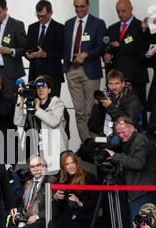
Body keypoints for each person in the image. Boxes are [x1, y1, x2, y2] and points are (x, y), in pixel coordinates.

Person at [35, 150, 98, 228]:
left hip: (83, 220)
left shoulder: (89, 177)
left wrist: (80, 203)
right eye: (67, 164)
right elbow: (60, 208)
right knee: (40, 226)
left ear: (77, 163)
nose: (71, 166)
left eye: (72, 162)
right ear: (63, 167)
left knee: (52, 225)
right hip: (67, 219)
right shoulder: (62, 180)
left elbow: (96, 204)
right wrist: (56, 198)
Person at [63, 0, 107, 143]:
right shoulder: (68, 24)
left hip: (90, 70)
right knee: (79, 112)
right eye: (76, 6)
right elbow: (65, 46)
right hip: (72, 70)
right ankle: (86, 144)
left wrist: (86, 54)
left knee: (90, 111)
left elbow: (101, 46)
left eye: (82, 6)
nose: (79, 9)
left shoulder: (98, 23)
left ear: (88, 6)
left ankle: (94, 145)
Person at [105, 117, 156, 225]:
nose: (121, 135)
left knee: (140, 227)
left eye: (123, 132)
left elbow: (137, 163)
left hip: (144, 190)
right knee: (139, 226)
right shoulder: (129, 141)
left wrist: (115, 156)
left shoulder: (140, 141)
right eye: (118, 133)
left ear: (132, 128)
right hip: (138, 189)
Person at [14, 75, 68, 174]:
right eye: (38, 88)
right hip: (38, 153)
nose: (41, 90)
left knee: (53, 180)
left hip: (54, 152)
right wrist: (20, 100)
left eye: (44, 87)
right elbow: (18, 121)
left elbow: (53, 122)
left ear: (49, 90)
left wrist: (38, 109)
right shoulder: (31, 104)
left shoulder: (57, 103)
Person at [104, 0, 149, 117]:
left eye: (123, 11)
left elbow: (142, 49)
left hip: (135, 78)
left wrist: (121, 45)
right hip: (115, 78)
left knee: (137, 112)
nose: (120, 14)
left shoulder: (141, 26)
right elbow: (106, 48)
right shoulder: (112, 28)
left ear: (131, 9)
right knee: (115, 112)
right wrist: (106, 55)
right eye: (118, 11)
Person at [6, 155, 53, 228]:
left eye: (38, 165)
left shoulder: (51, 181)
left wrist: (37, 216)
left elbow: (55, 207)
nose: (35, 169)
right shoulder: (28, 183)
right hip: (25, 219)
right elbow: (23, 204)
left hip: (41, 218)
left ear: (44, 166)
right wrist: (17, 213)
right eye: (32, 166)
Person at [0, 0, 27, 100]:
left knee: (9, 102)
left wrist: (11, 51)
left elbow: (25, 49)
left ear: (6, 9)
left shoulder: (17, 25)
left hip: (10, 72)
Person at [25, 0, 64, 97]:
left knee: (53, 105)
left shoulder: (59, 28)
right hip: (35, 73)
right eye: (38, 16)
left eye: (43, 16)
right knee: (34, 104)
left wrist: (45, 54)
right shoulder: (32, 27)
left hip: (52, 74)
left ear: (51, 13)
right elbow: (27, 48)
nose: (40, 18)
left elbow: (63, 52)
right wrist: (28, 55)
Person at [88, 69, 141, 137]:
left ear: (123, 84)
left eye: (117, 83)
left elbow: (129, 121)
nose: (113, 87)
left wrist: (110, 106)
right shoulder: (106, 95)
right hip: (103, 135)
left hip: (122, 136)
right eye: (110, 84)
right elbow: (92, 126)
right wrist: (97, 106)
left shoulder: (131, 98)